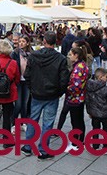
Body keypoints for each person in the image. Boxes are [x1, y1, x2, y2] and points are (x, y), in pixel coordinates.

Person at [22, 31, 70, 159]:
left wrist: (32, 88)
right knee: (48, 123)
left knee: (33, 120)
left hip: (37, 93)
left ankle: (28, 146)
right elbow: (64, 79)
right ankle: (43, 149)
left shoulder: (34, 56)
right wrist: (59, 92)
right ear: (55, 42)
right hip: (52, 94)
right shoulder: (61, 59)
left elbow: (27, 75)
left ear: (44, 41)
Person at [85, 67, 107, 152]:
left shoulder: (89, 87)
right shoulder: (106, 89)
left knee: (95, 129)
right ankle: (106, 146)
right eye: (106, 77)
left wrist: (89, 111)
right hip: (105, 114)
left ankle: (95, 145)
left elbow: (87, 101)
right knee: (106, 130)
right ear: (101, 77)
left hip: (94, 114)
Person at [11, 34, 33, 121]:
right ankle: (13, 121)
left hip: (27, 81)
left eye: (23, 41)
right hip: (18, 81)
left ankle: (23, 121)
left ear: (27, 43)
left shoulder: (31, 54)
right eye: (20, 41)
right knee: (18, 103)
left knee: (25, 103)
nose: (21, 43)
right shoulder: (15, 53)